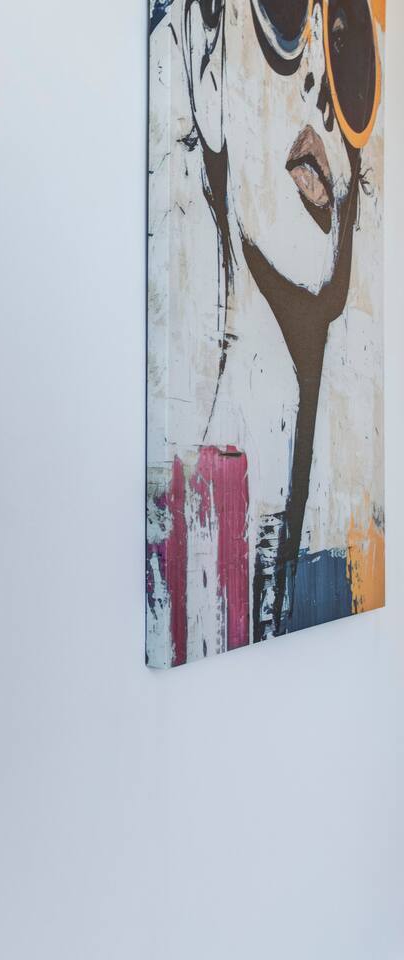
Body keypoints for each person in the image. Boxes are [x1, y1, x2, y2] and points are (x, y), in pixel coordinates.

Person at [147, 0, 384, 654]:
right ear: (209, 73)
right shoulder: (181, 497)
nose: (321, 89)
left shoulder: (352, 531)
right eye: (286, 18)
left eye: (346, 57)